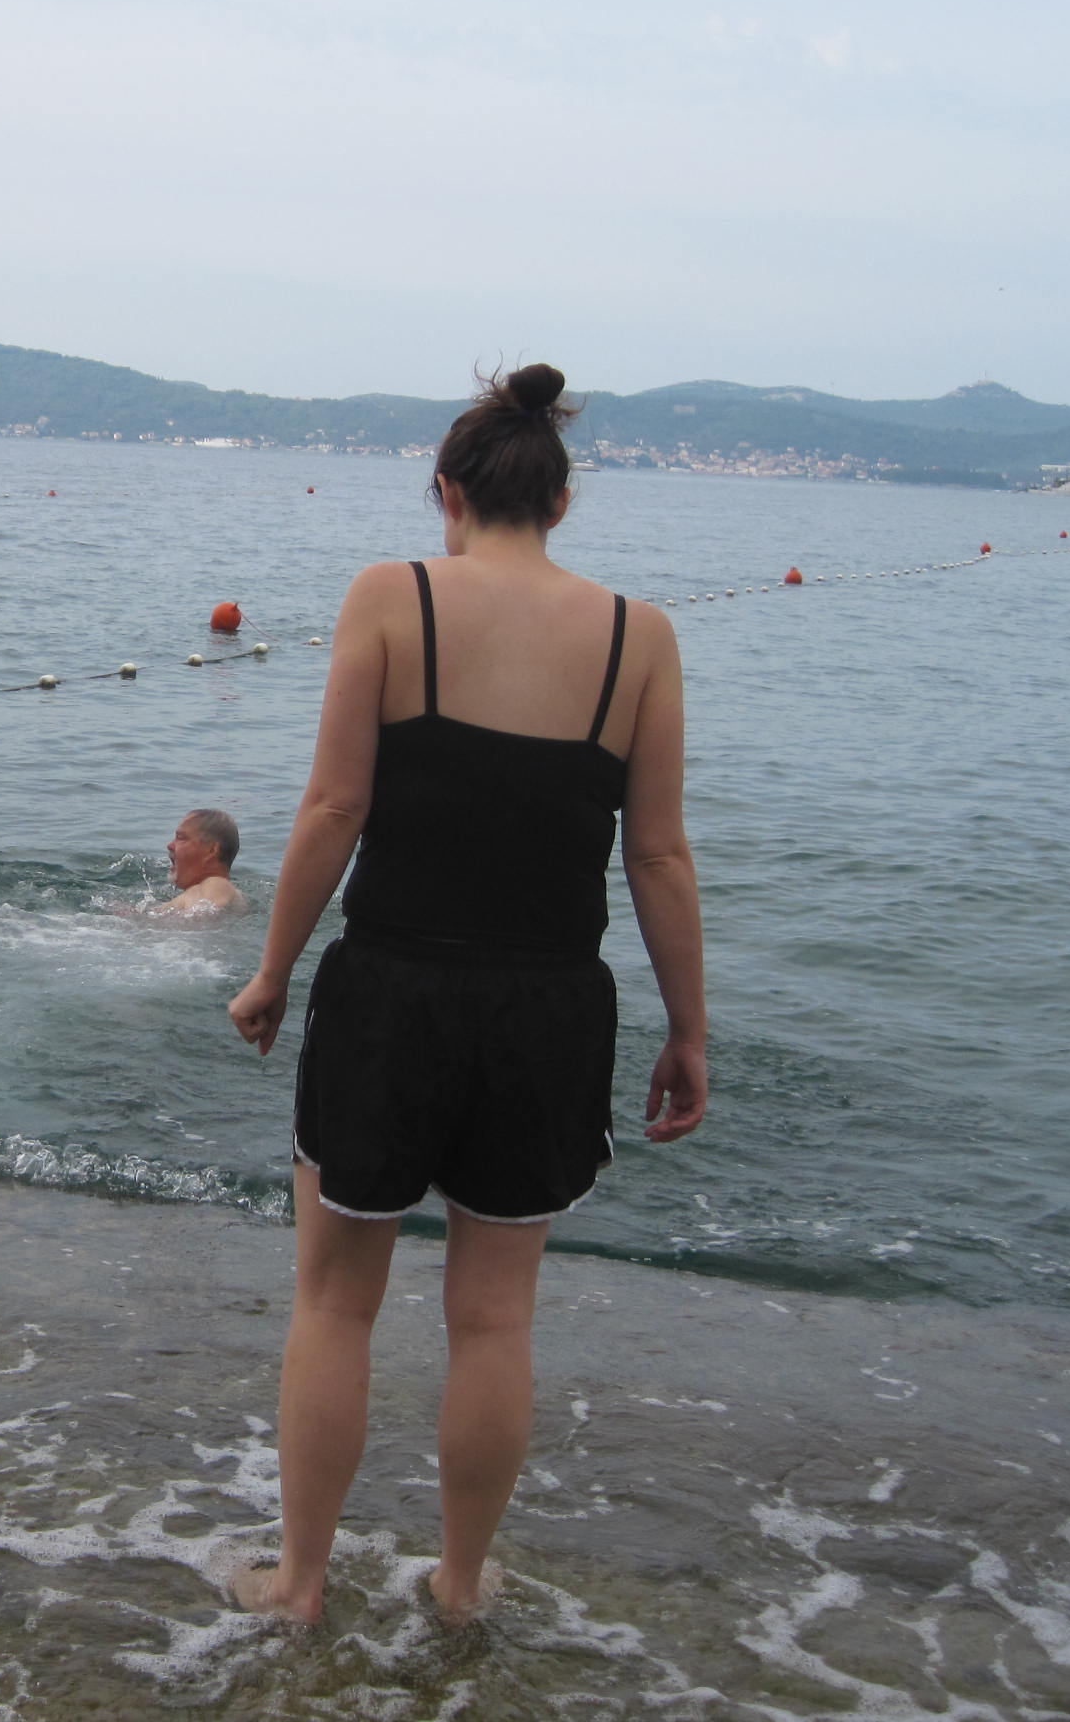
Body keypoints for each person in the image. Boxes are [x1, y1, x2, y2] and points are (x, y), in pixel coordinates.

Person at [224, 362, 708, 1629]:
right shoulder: (641, 638)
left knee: (335, 1301)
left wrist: (272, 969)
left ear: (446, 492)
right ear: (562, 503)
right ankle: (459, 1585)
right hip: (548, 1010)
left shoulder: (393, 598)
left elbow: (335, 807)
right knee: (494, 1321)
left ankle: (301, 1584)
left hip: (392, 993)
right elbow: (659, 857)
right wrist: (690, 1030)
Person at [151, 809, 249, 918]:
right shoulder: (228, 893)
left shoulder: (217, 884)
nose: (170, 846)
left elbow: (203, 916)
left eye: (181, 838)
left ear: (211, 850)